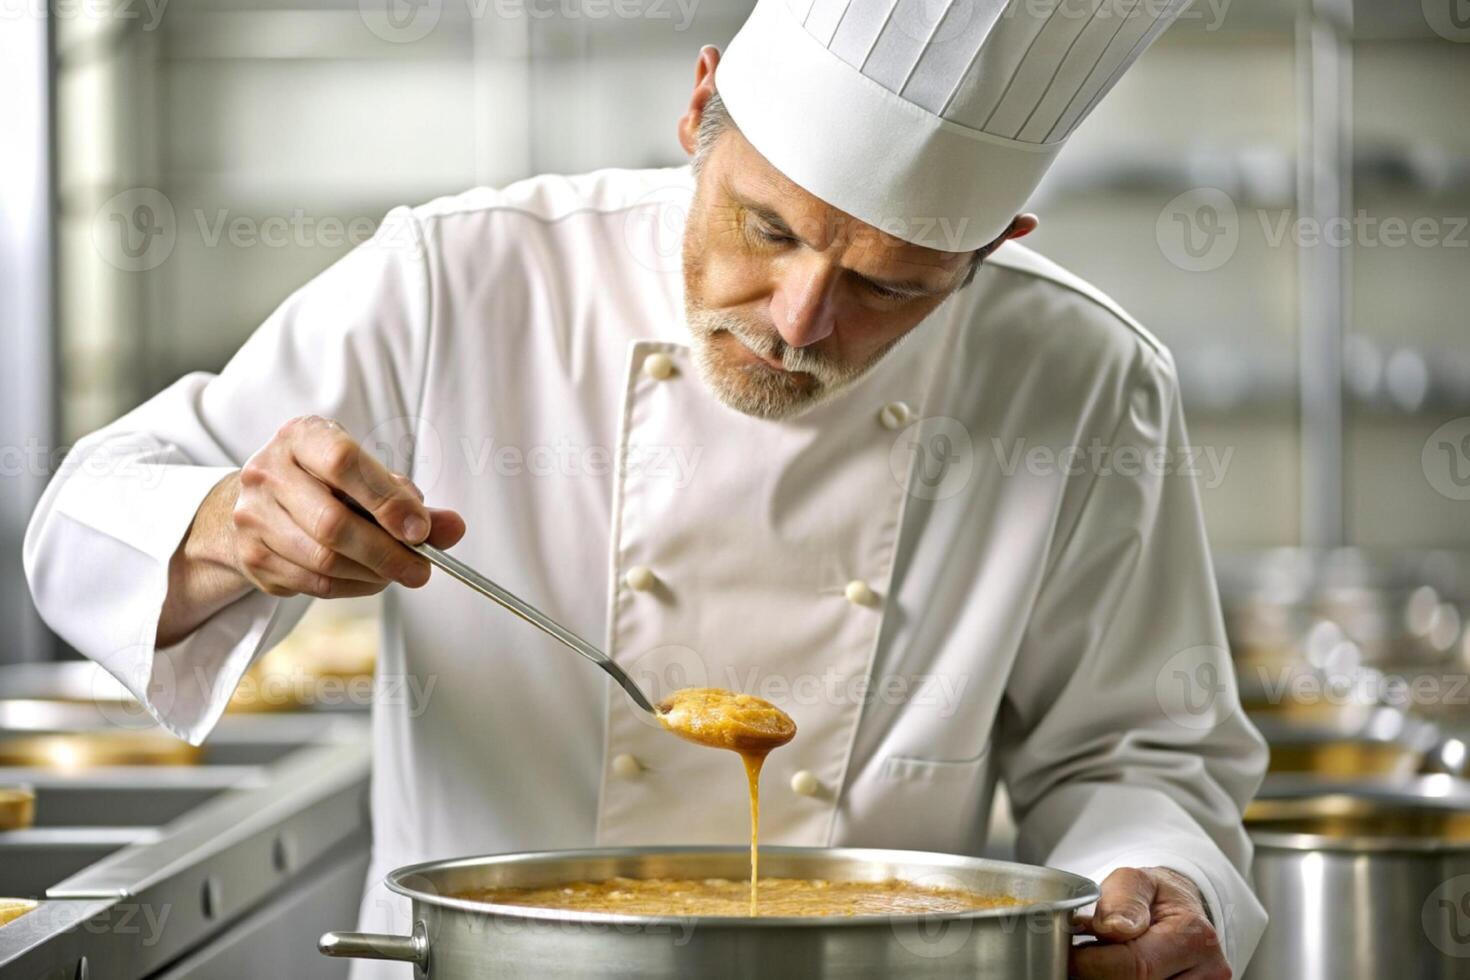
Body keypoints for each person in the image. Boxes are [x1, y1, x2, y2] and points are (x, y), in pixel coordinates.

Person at [26, 1, 1266, 976]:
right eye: (768, 230)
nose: (798, 322)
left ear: (997, 250)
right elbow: (83, 519)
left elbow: (1137, 751)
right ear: (697, 109)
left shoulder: (1087, 379)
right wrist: (231, 530)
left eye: (893, 284)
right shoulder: (463, 280)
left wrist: (1153, 875)